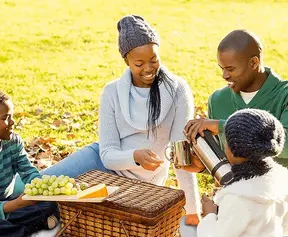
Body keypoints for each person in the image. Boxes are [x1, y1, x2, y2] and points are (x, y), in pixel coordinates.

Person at [30, 15, 200, 225]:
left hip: (139, 186)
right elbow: (108, 154)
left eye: (154, 59)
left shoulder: (177, 90)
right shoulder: (112, 92)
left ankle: (49, 216)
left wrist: (192, 211)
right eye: (139, 63)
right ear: (126, 61)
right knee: (36, 188)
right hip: (102, 163)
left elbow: (180, 156)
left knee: (78, 215)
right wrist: (135, 156)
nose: (148, 68)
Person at [153, 108, 288, 237]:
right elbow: (281, 226)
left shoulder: (239, 197)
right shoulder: (279, 178)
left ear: (232, 150)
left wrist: (210, 215)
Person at [184, 29, 288, 170]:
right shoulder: (218, 99)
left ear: (254, 63)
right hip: (237, 189)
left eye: (230, 69)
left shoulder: (284, 95)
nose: (224, 75)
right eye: (222, 68)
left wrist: (223, 127)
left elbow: (285, 144)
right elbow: (225, 161)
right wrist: (202, 166)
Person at [0, 90, 58, 237]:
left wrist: (42, 190)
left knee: (52, 203)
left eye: (11, 116)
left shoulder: (13, 141)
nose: (12, 122)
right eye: (5, 118)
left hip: (8, 200)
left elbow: (28, 171)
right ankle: (31, 226)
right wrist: (17, 204)